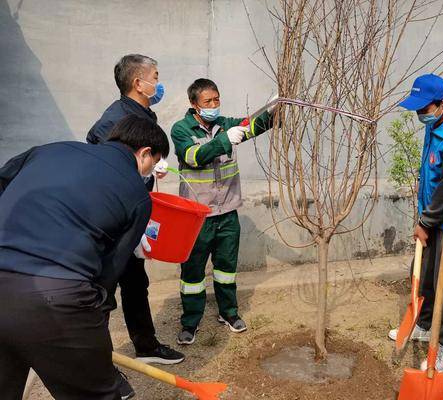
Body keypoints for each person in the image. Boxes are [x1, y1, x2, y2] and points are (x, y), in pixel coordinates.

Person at [0, 115, 169, 400]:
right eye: (155, 162)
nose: (151, 170)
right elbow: (107, 276)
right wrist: (89, 329)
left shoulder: (49, 150)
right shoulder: (137, 195)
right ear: (144, 154)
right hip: (57, 298)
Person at [87, 54, 183, 398]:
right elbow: (103, 164)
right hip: (111, 221)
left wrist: (150, 169)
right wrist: (136, 171)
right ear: (138, 83)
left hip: (132, 215)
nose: (159, 83)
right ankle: (98, 366)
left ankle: (145, 344)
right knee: (102, 294)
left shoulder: (142, 113)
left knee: (135, 282)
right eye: (155, 77)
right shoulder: (114, 120)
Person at [171, 78, 274, 344]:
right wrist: (223, 141)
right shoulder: (181, 129)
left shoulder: (226, 124)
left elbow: (253, 126)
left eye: (217, 99)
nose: (214, 105)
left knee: (226, 269)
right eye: (208, 101)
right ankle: (190, 322)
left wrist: (273, 111)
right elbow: (192, 156)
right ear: (194, 104)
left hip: (227, 213)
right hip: (197, 217)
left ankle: (228, 313)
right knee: (192, 274)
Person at [388, 73, 443, 372]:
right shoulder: (435, 124)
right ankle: (424, 324)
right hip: (432, 217)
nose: (419, 114)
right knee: (423, 273)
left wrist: (425, 221)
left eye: (424, 109)